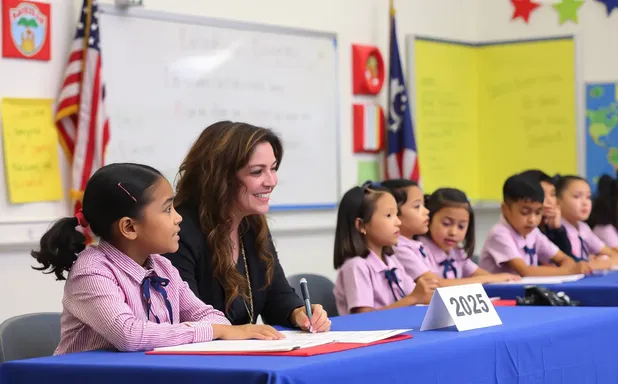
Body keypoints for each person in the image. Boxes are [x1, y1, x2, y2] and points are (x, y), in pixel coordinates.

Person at [31, 163, 283, 355]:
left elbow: (207, 314)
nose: (178, 218)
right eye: (167, 209)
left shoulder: (161, 266)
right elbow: (129, 335)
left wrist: (219, 327)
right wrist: (217, 331)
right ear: (129, 227)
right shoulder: (93, 271)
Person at [163, 122, 330, 333]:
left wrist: (299, 313)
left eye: (273, 168)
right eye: (257, 172)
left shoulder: (252, 223)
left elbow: (276, 296)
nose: (272, 181)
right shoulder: (179, 230)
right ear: (220, 177)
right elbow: (186, 319)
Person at [383, 180, 519, 285]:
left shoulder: (455, 250)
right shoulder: (402, 247)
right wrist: (491, 278)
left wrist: (494, 278)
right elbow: (437, 285)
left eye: (461, 226)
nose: (453, 232)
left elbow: (478, 273)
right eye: (446, 224)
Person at [333, 182, 438, 315]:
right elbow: (363, 318)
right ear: (361, 225)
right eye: (389, 215)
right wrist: (414, 298)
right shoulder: (356, 266)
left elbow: (415, 294)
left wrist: (424, 293)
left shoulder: (391, 260)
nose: (398, 222)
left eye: (397, 214)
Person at [479, 173, 592, 276]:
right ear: (505, 209)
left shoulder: (533, 232)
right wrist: (569, 271)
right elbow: (526, 271)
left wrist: (569, 266)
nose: (532, 220)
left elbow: (564, 258)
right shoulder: (499, 234)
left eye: (538, 212)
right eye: (525, 212)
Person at [554, 174, 618, 268]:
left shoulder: (583, 228)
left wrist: (602, 262)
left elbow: (617, 258)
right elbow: (571, 265)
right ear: (557, 201)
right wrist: (596, 264)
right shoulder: (556, 229)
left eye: (588, 197)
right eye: (577, 196)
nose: (585, 203)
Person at [518, 169, 573, 260]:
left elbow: (566, 258)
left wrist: (557, 229)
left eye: (552, 194)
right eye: (542, 195)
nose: (550, 201)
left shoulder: (547, 226)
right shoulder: (526, 229)